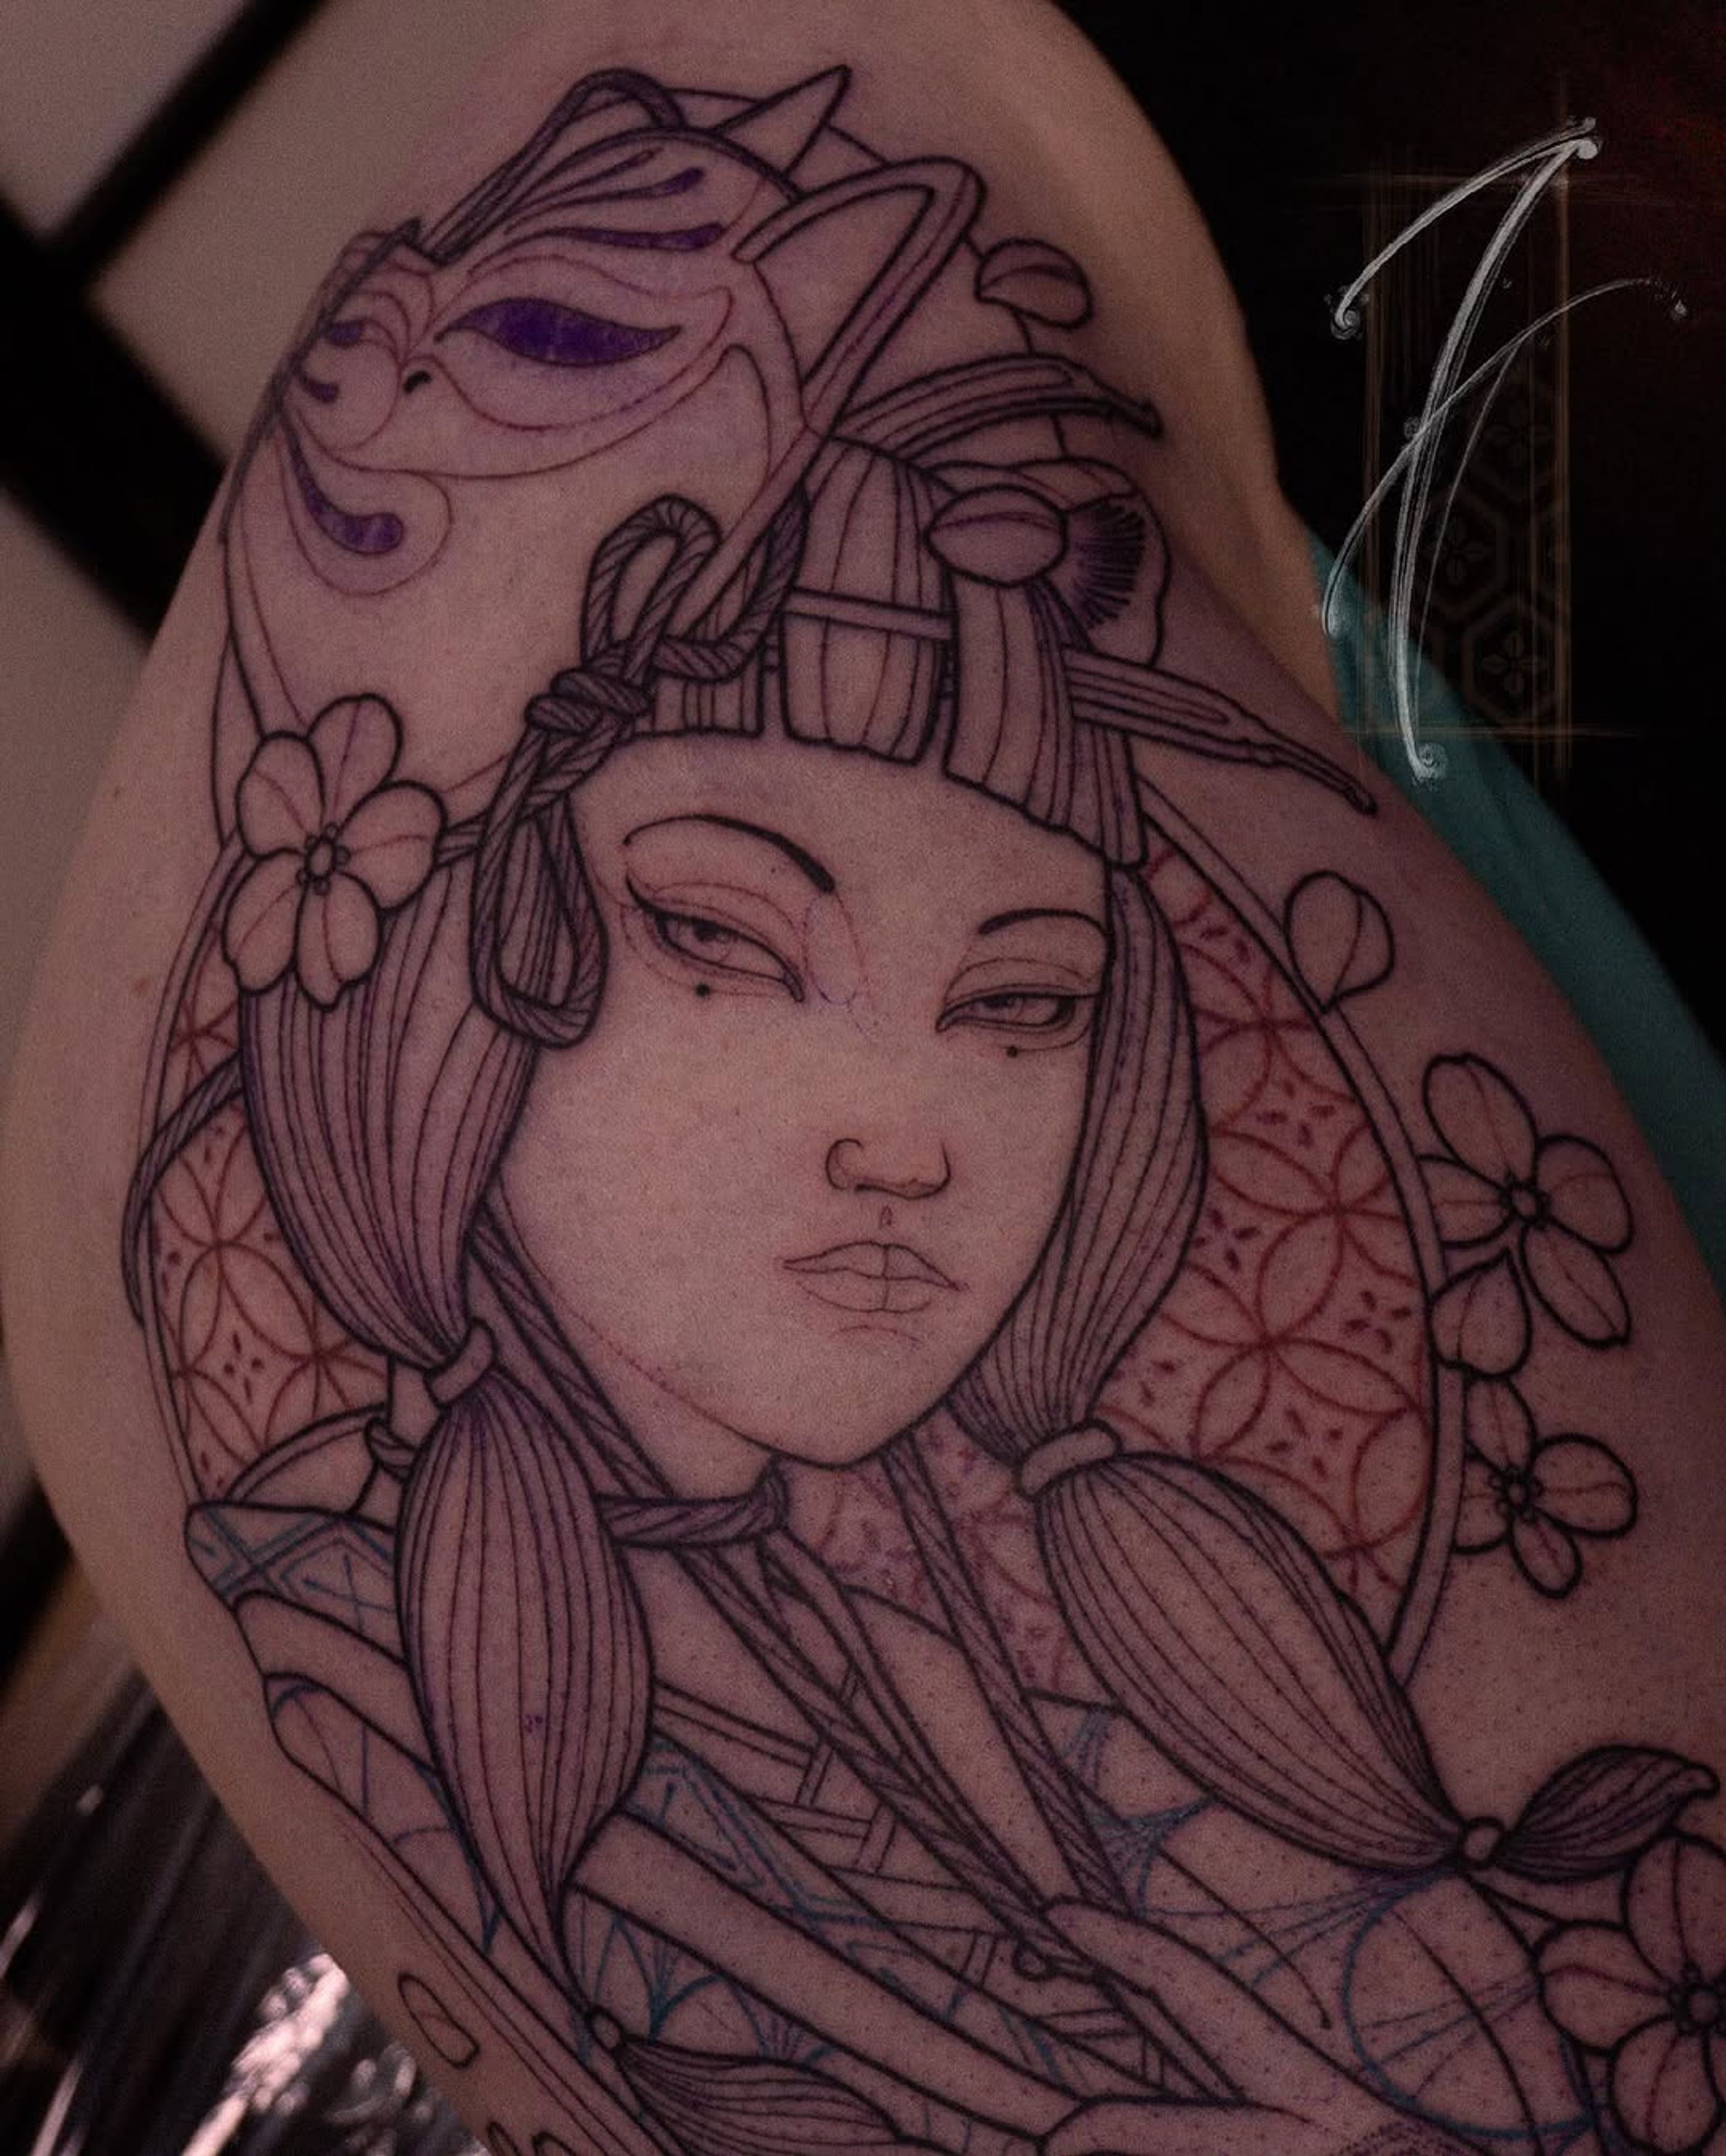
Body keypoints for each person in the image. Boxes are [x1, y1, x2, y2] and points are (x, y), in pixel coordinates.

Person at [6, 10, 1725, 2155]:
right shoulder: (359, 1588)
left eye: (1026, 1006)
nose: (909, 1138)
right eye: (726, 938)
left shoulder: (1021, 1535)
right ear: (486, 947)